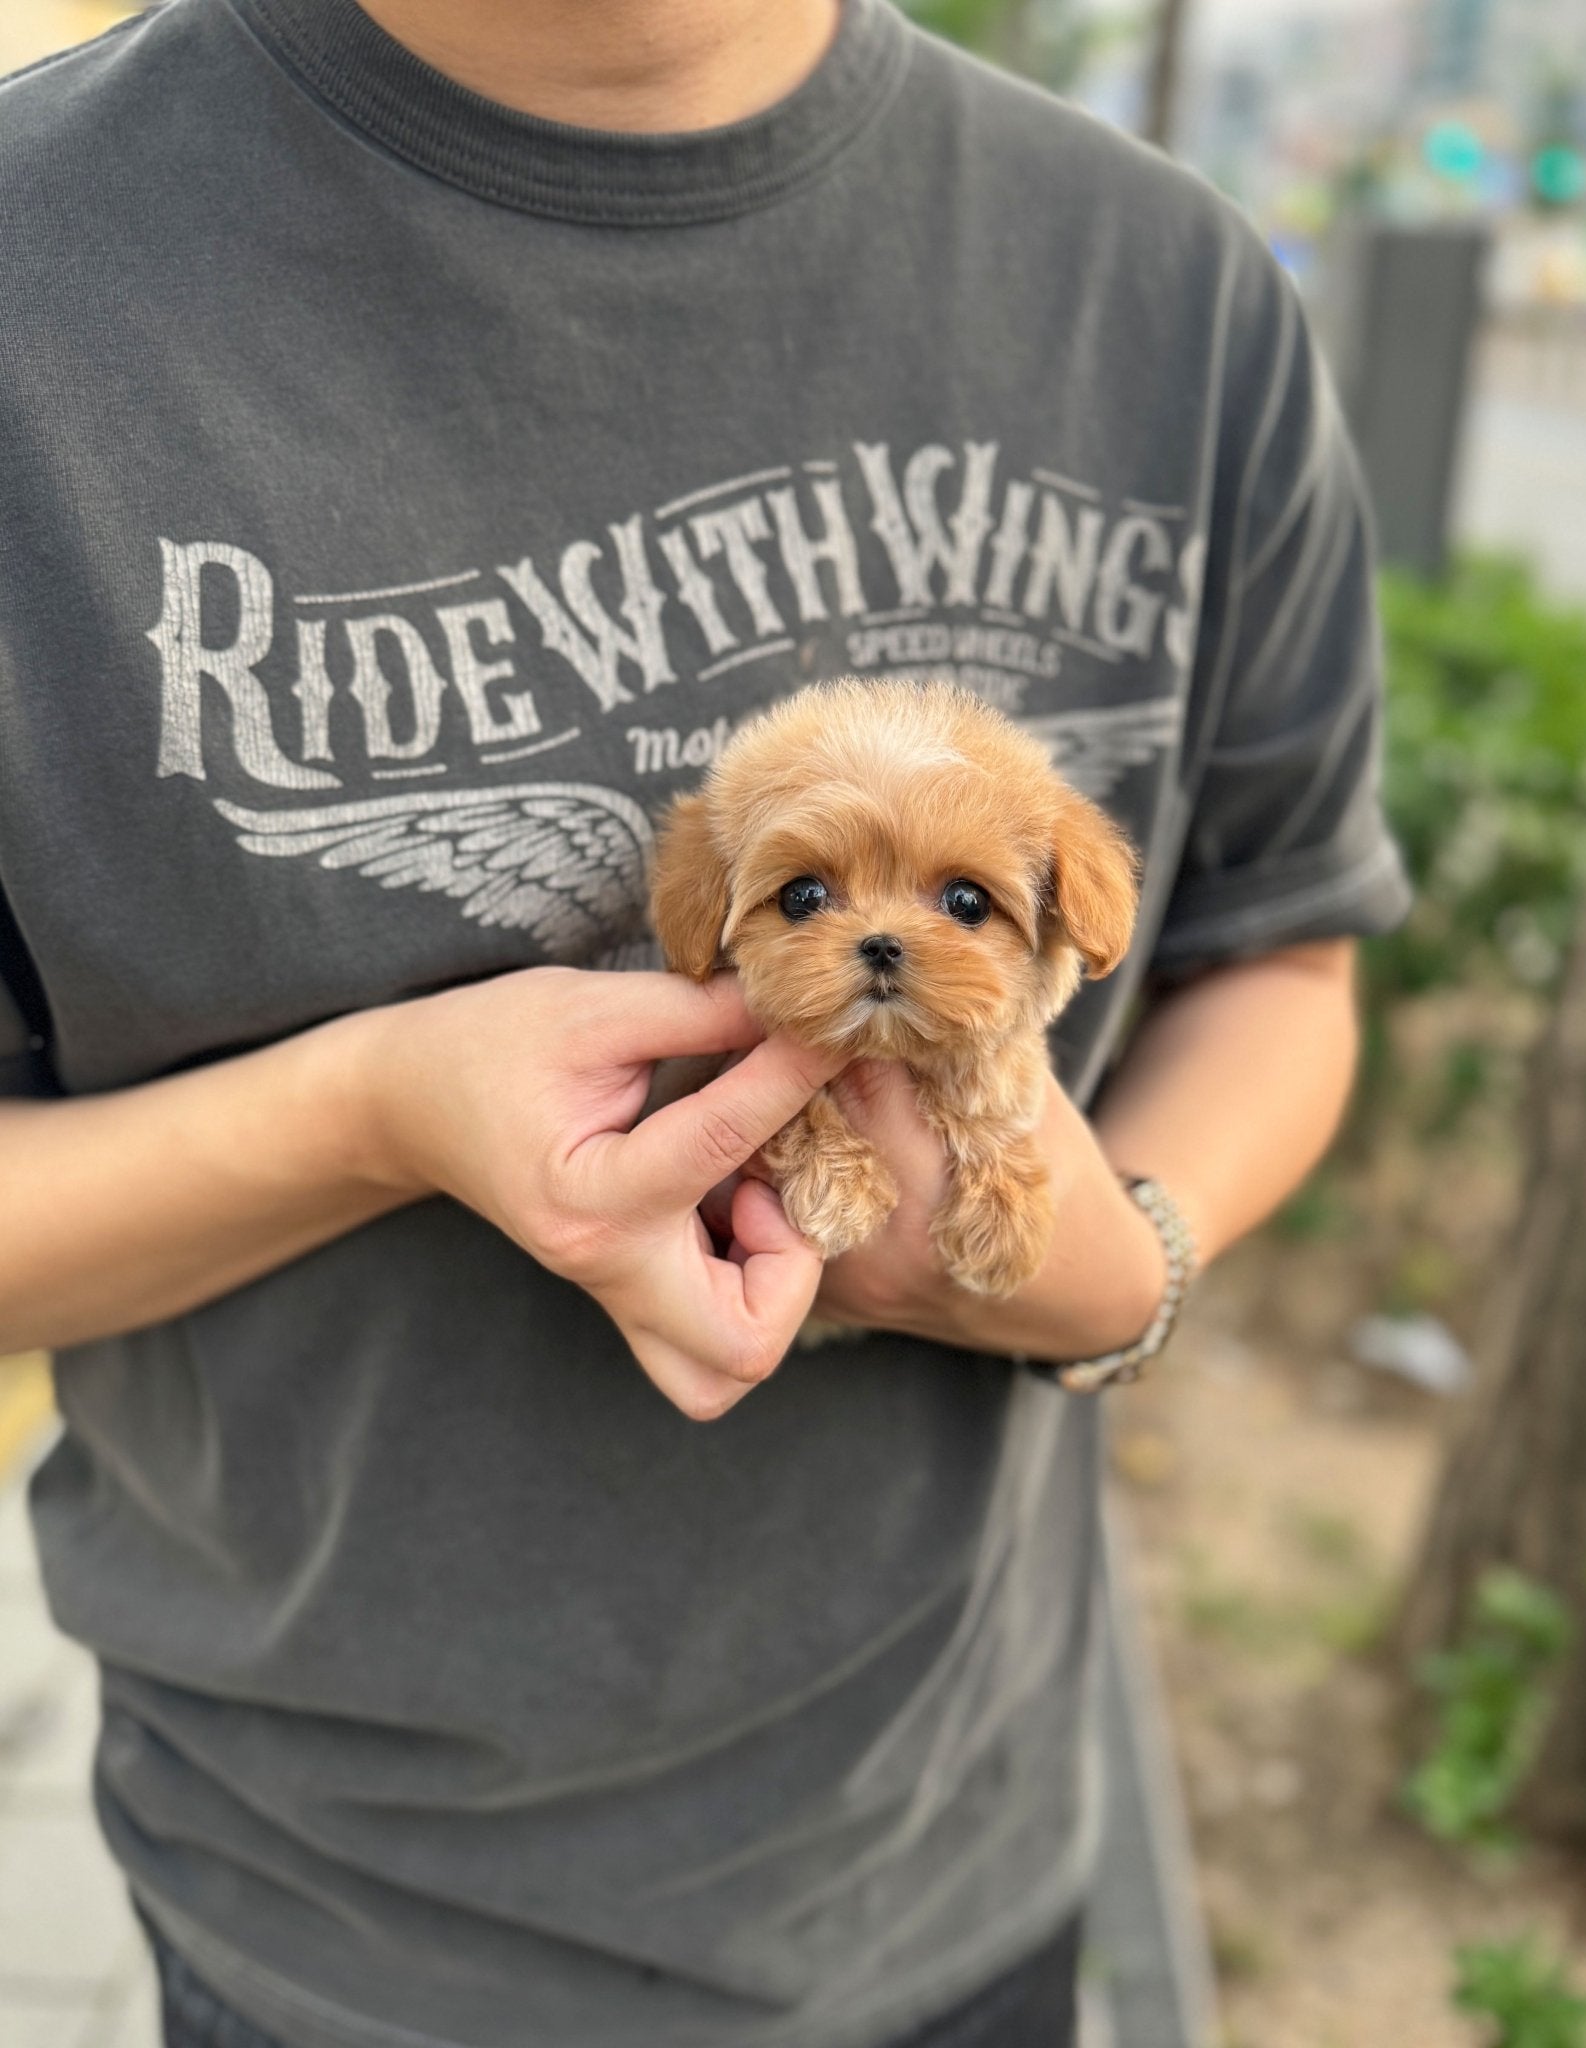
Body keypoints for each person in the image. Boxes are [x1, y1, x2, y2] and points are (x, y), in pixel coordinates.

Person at [0, 0, 1411, 2043]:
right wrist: (371, 1113)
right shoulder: (45, 283)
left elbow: (1277, 953)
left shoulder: (1170, 286)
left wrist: (1121, 1262)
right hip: (336, 1930)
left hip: (964, 1861)